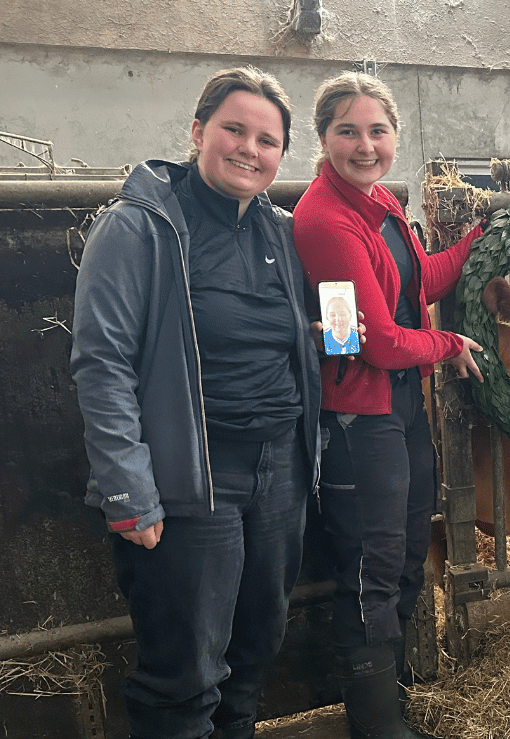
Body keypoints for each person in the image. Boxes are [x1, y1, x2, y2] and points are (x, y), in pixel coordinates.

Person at [70, 67, 322, 739]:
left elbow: (291, 332)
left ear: (281, 155)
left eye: (267, 140)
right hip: (191, 475)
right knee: (184, 672)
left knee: (254, 652)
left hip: (278, 471)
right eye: (233, 129)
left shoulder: (281, 232)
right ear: (197, 131)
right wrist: (128, 490)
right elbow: (102, 364)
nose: (249, 149)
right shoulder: (139, 228)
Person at [291, 71, 484, 739]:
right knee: (372, 566)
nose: (365, 144)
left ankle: (392, 698)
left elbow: (414, 281)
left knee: (402, 555)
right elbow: (381, 343)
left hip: (400, 410)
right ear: (323, 139)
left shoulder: (379, 204)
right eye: (348, 130)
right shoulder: (327, 218)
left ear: (395, 136)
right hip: (360, 418)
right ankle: (375, 723)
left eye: (378, 130)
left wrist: (472, 248)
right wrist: (450, 339)